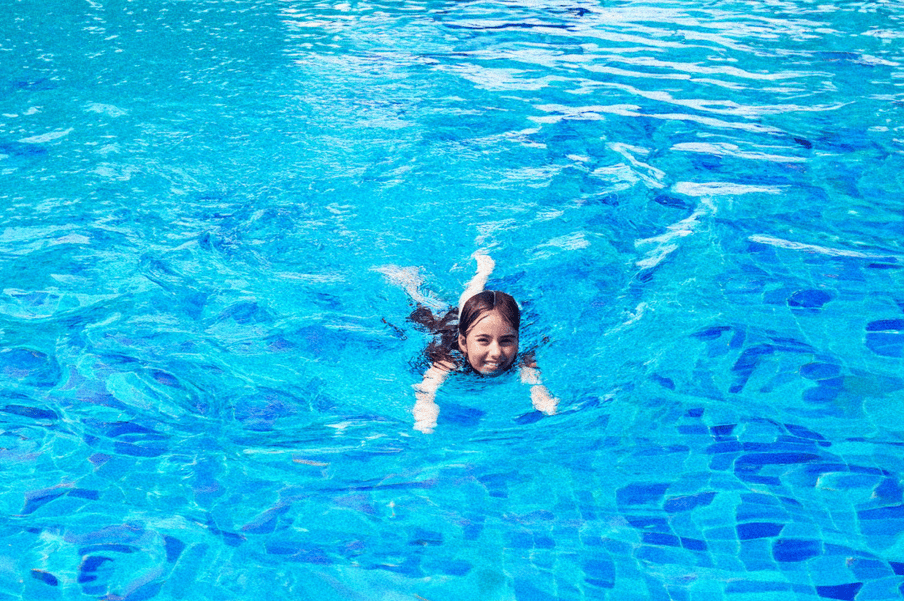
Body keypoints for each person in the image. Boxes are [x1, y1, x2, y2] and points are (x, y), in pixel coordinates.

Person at [403, 254, 558, 433]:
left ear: (517, 340)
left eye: (506, 341)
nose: (496, 352)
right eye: (484, 342)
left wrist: (540, 393)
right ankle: (414, 283)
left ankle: (482, 276)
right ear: (464, 343)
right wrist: (425, 408)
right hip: (448, 327)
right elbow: (427, 387)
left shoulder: (522, 354)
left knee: (474, 307)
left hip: (478, 325)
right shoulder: (450, 357)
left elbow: (533, 377)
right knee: (429, 309)